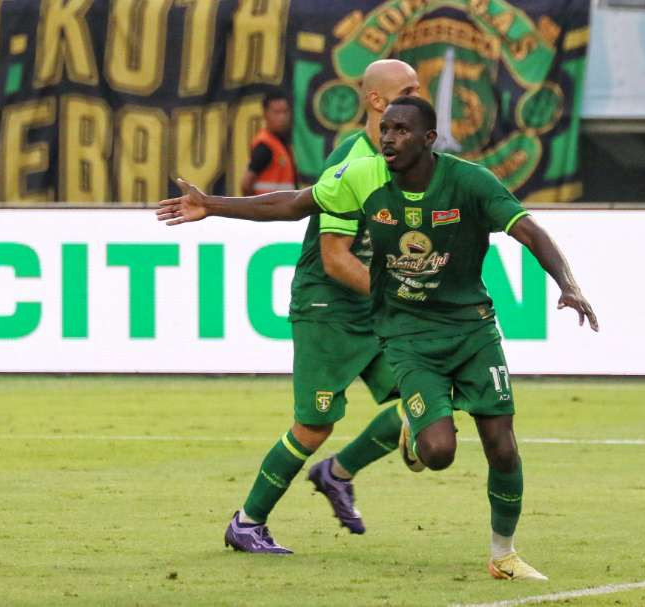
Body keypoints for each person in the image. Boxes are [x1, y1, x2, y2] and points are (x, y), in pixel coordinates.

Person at [156, 97, 598, 580]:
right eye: (385, 129)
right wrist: (213, 205)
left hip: (472, 329)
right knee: (438, 453)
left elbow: (530, 232)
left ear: (429, 139)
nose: (389, 138)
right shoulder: (361, 176)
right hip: (408, 333)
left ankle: (503, 554)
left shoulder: (470, 181)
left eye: (402, 130)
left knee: (502, 445)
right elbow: (293, 203)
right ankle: (419, 418)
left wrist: (568, 286)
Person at [218, 61, 421, 554]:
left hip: (372, 305)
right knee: (313, 425)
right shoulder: (352, 163)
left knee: (430, 397)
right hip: (328, 304)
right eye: (409, 89)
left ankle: (338, 471)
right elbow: (334, 260)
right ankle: (247, 521)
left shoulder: (412, 157)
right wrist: (402, 295)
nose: (421, 95)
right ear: (377, 102)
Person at [241, 89, 295, 195]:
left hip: (280, 209)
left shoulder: (281, 143)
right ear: (265, 114)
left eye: (285, 112)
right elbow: (245, 184)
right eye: (277, 112)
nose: (282, 117)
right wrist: (256, 209)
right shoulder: (265, 146)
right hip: (269, 210)